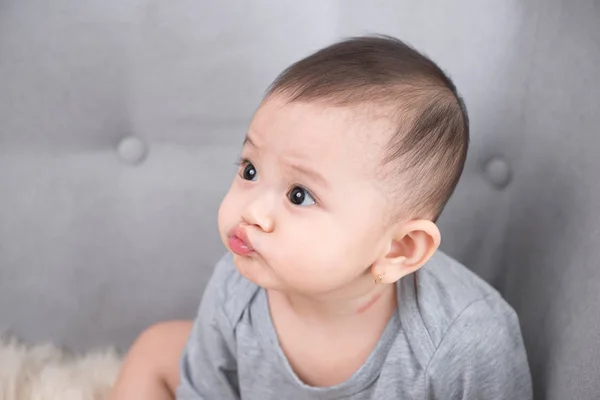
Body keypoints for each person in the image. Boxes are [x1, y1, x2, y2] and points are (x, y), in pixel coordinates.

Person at [110, 35, 532, 399]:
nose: (252, 210)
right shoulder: (236, 288)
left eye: (299, 195)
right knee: (155, 349)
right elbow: (206, 389)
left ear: (399, 250)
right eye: (250, 170)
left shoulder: (467, 338)